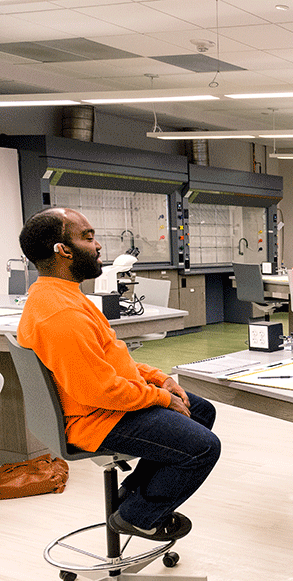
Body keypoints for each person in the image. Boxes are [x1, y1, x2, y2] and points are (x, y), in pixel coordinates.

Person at [17, 208, 220, 542]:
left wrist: (158, 379)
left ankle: (132, 494)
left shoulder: (62, 294)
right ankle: (138, 516)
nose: (97, 245)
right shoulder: (61, 312)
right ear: (63, 251)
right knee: (203, 447)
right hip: (96, 418)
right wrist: (160, 398)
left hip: (103, 404)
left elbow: (111, 359)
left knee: (200, 410)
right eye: (87, 237)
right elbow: (99, 390)